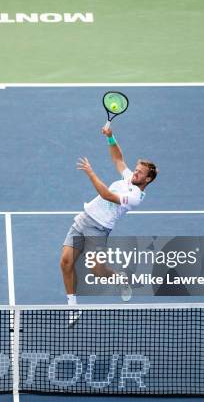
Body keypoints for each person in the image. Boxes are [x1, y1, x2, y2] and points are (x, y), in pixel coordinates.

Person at [60, 125, 158, 326]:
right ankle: (72, 307)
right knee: (65, 263)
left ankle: (121, 279)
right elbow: (118, 159)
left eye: (139, 173)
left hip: (98, 229)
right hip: (83, 220)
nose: (135, 173)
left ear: (147, 179)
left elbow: (106, 195)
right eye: (136, 170)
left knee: (98, 272)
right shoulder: (129, 178)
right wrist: (111, 137)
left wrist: (90, 173)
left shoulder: (135, 197)